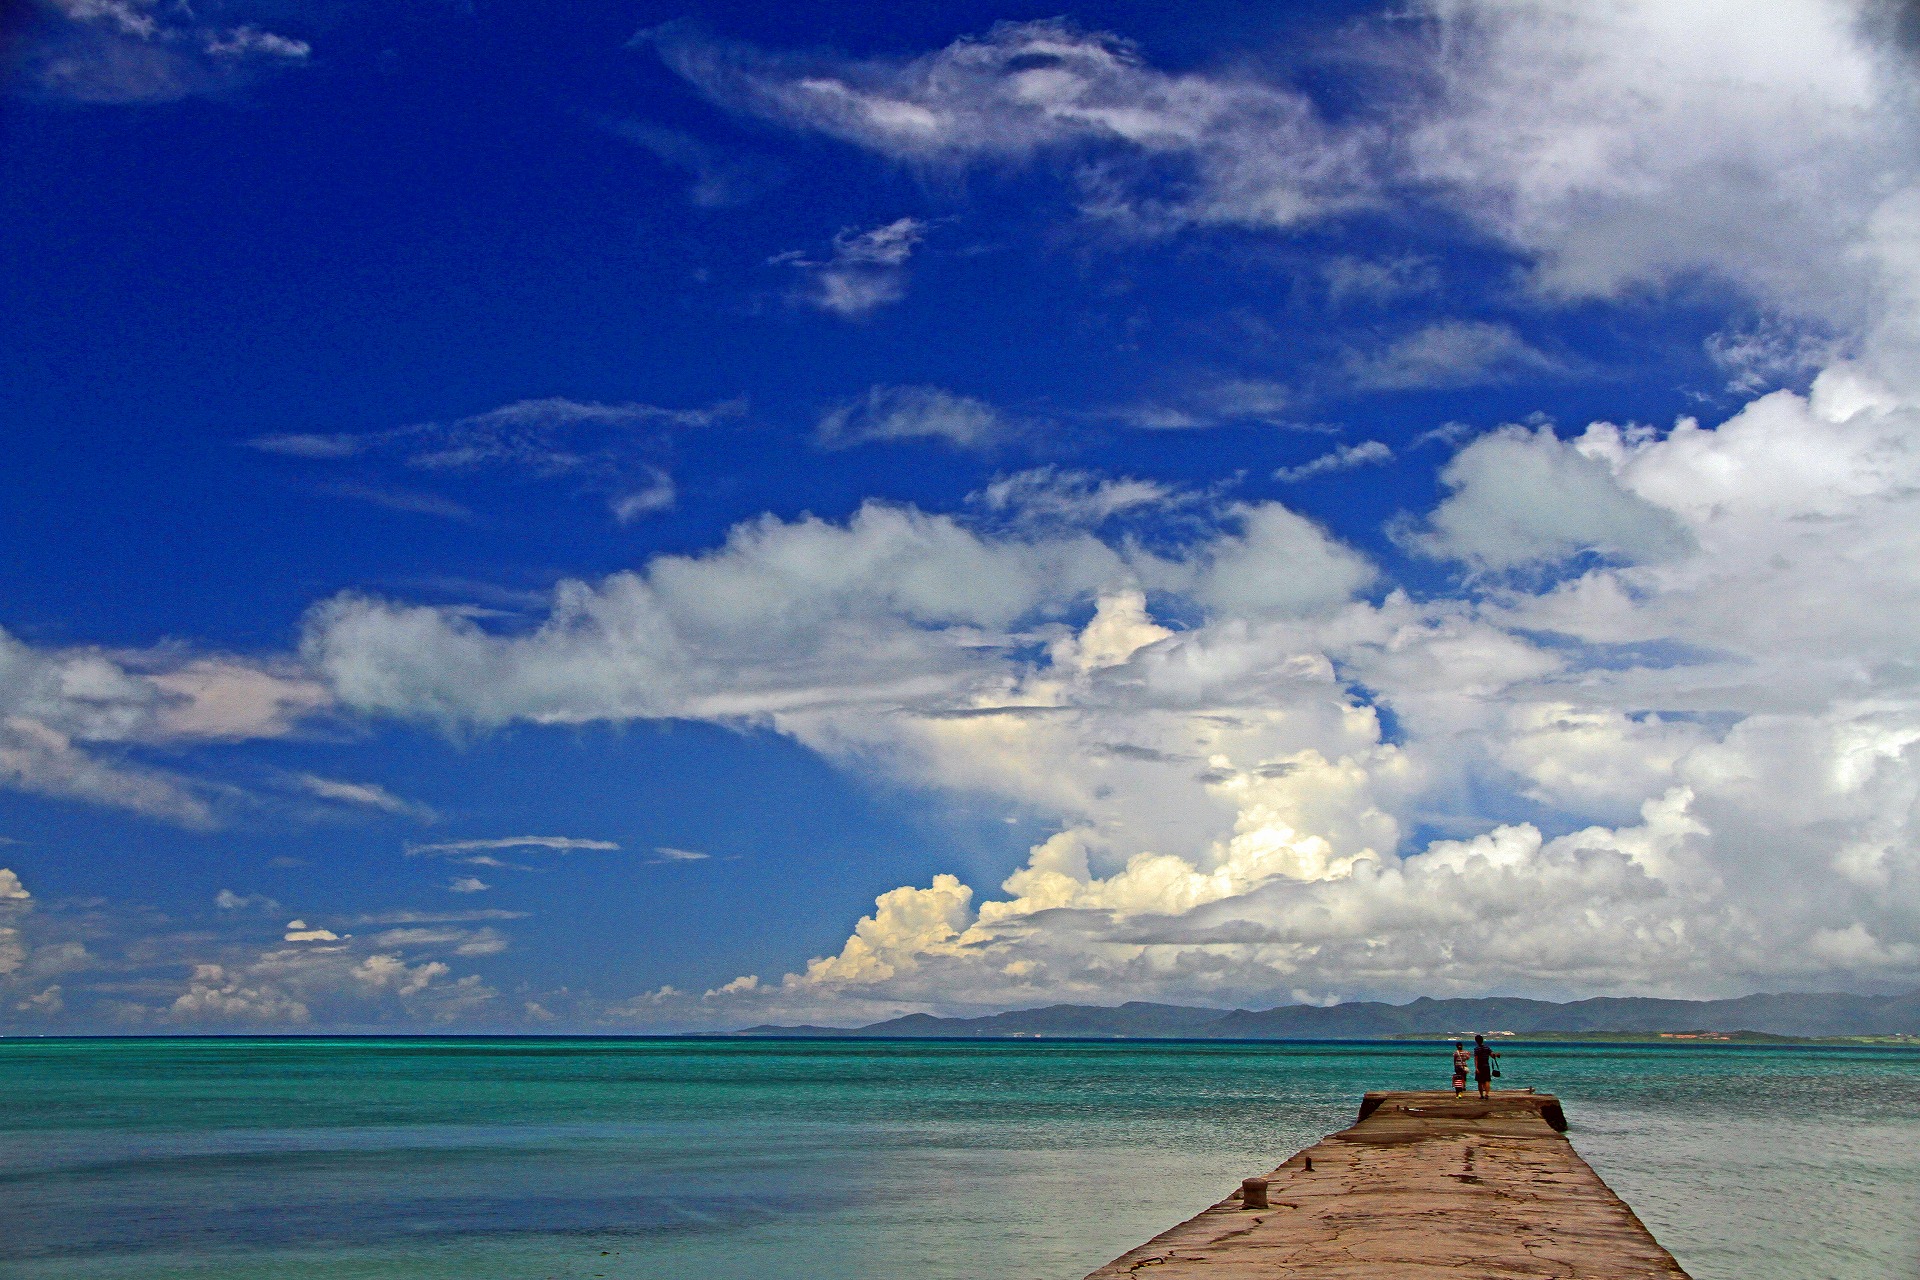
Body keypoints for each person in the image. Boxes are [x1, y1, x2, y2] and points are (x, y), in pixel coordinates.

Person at [1473, 1033, 1500, 1099]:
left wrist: (1476, 1068)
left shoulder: (1476, 1049)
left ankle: (1481, 1095)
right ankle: (1487, 1094)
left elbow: (1476, 1059)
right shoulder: (1487, 1048)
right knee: (1487, 1080)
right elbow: (1492, 1055)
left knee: (1480, 1081)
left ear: (1476, 1041)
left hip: (1480, 1066)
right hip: (1486, 1066)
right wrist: (1496, 1055)